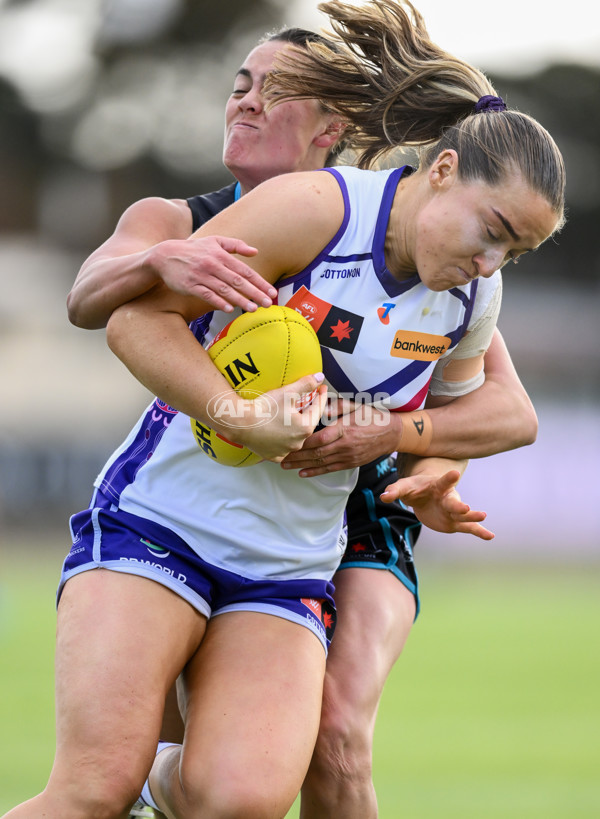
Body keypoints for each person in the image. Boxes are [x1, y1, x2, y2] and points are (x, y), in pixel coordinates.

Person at [4, 2, 564, 818]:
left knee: (241, 796)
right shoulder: (309, 210)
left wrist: (428, 458)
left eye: (511, 249)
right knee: (95, 785)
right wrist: (236, 413)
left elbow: (490, 409)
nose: (491, 260)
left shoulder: (469, 286)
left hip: (288, 560)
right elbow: (118, 313)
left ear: (332, 127)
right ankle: (142, 782)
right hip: (163, 524)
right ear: (440, 171)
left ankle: (162, 783)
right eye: (492, 232)